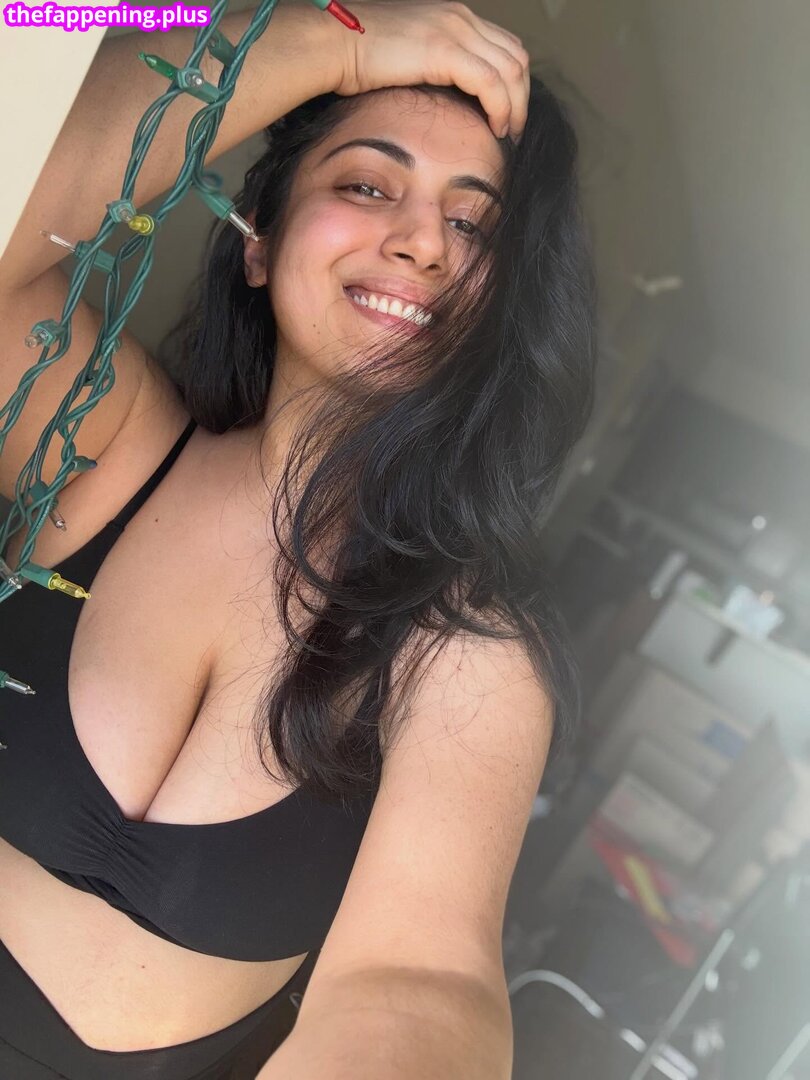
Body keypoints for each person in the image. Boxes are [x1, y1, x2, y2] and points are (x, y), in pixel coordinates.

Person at [0, 0, 596, 1075]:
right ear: (261, 245)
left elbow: (418, 985)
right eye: (367, 185)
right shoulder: (104, 438)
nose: (422, 240)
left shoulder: (468, 659)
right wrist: (334, 43)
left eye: (474, 226)